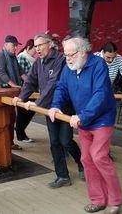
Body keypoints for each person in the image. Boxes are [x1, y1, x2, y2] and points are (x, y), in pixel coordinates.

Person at [49, 36, 122, 214]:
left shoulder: (98, 65)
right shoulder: (69, 68)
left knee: (98, 156)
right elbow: (61, 88)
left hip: (101, 118)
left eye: (71, 55)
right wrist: (55, 106)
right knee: (86, 159)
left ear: (82, 52)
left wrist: (83, 115)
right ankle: (98, 200)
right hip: (83, 121)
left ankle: (115, 200)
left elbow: (101, 94)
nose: (67, 58)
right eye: (65, 55)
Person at [13, 34, 84, 188]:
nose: (37, 48)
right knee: (54, 143)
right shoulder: (38, 62)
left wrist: (37, 104)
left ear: (50, 44)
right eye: (36, 46)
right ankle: (62, 176)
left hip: (64, 108)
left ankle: (82, 164)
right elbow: (30, 81)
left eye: (40, 45)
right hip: (48, 110)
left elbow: (54, 84)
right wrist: (21, 98)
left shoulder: (60, 60)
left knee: (66, 141)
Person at [0, 35, 26, 150]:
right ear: (6, 44)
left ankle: (10, 142)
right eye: (14, 45)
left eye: (16, 46)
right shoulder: (1, 55)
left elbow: (20, 71)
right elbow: (0, 71)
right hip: (3, 92)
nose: (16, 48)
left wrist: (28, 82)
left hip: (12, 93)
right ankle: (4, 143)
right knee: (5, 118)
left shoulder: (13, 57)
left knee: (12, 118)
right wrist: (14, 85)